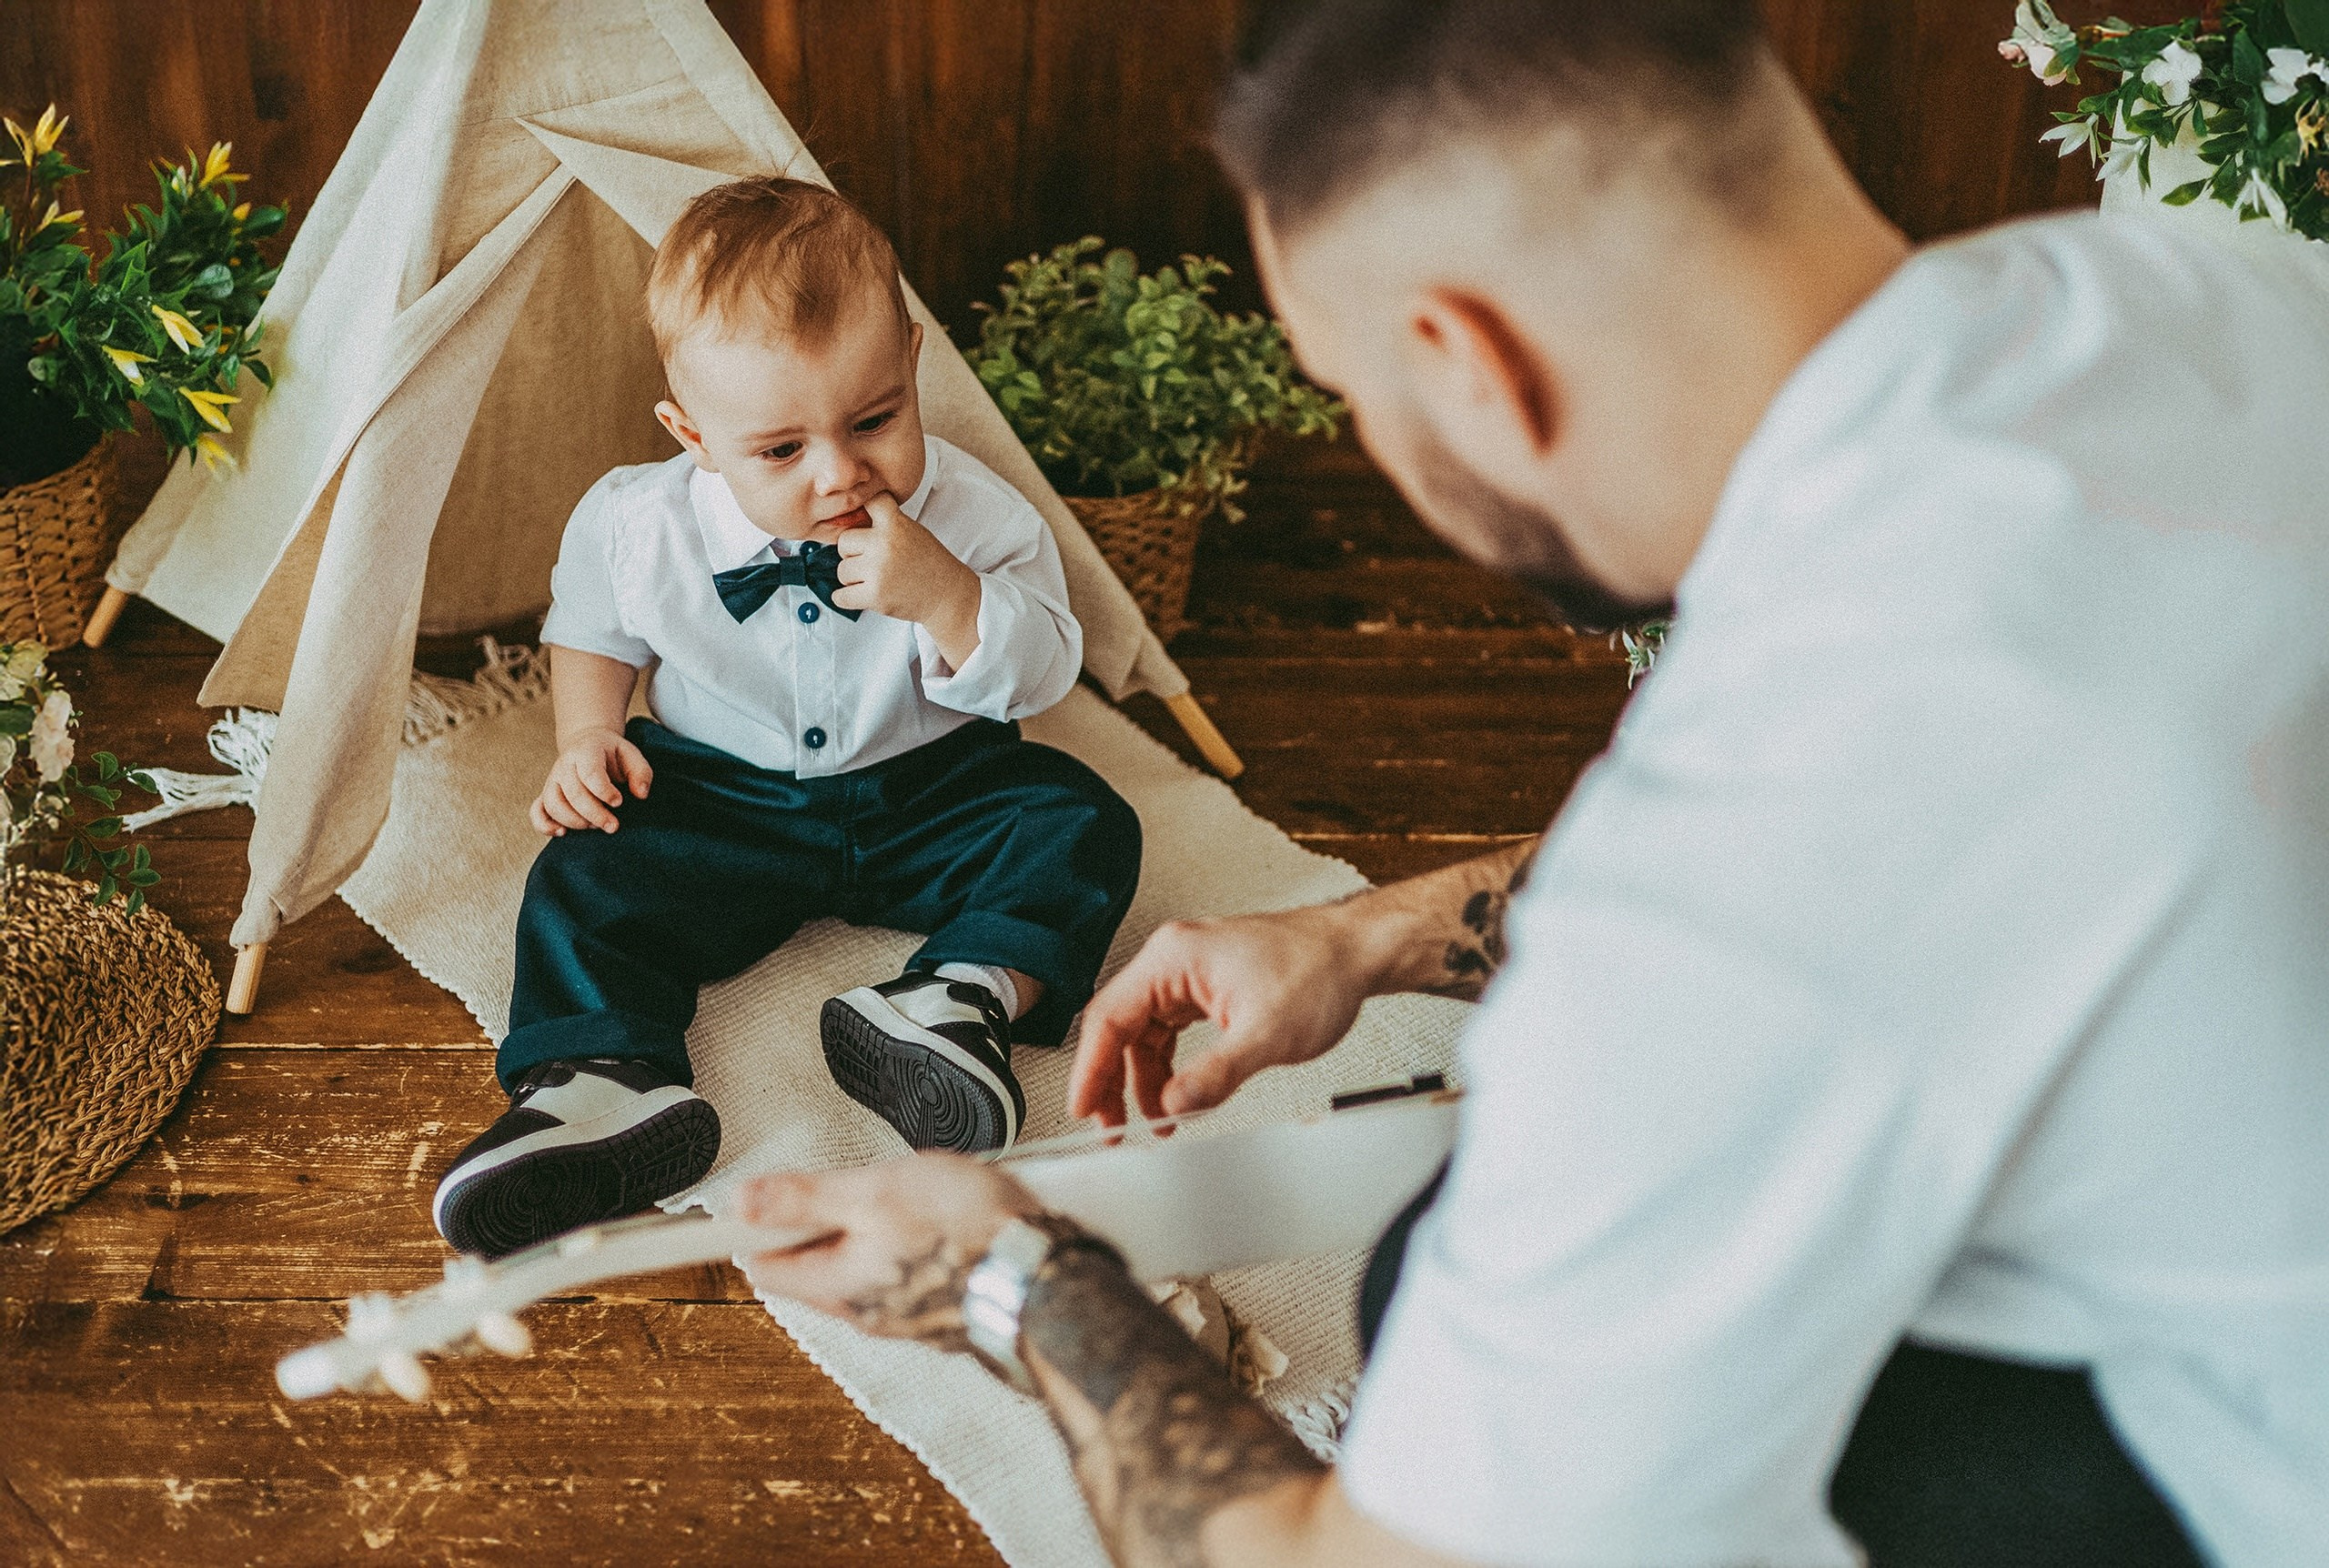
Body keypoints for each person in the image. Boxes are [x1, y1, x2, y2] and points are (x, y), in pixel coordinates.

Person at [739, 2, 2329, 1563]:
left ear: (1466, 362)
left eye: (1352, 395)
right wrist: (1365, 936)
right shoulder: (2223, 289)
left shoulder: (1747, 838)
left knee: (1436, 1305)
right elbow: (1953, 849)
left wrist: (1021, 1282)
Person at [432, 177, 1143, 1258]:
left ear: (911, 363)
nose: (840, 473)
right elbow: (591, 629)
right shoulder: (636, 523)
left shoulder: (977, 513)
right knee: (584, 874)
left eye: (874, 421)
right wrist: (587, 736)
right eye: (780, 451)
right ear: (693, 434)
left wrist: (951, 597)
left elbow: (1043, 671)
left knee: (1080, 821)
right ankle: (602, 1081)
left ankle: (955, 998)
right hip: (720, 799)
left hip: (933, 787)